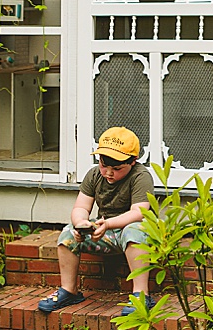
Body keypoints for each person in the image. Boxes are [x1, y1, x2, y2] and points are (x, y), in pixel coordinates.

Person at [37, 125, 154, 314]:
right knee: (67, 234)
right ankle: (69, 290)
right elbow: (81, 207)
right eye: (103, 165)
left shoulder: (140, 176)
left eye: (116, 168)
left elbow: (139, 212)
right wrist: (81, 224)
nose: (108, 172)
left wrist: (108, 224)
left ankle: (142, 295)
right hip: (105, 232)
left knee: (134, 231)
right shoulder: (93, 175)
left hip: (136, 235)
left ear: (133, 161)